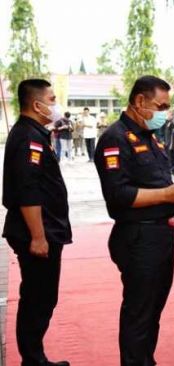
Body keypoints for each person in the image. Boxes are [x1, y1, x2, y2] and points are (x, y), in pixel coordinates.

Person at [94, 76, 174, 365]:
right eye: (161, 105)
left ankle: (144, 360)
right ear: (140, 101)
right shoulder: (115, 139)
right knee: (139, 312)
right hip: (138, 237)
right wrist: (167, 194)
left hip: (160, 235)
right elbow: (118, 194)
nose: (165, 112)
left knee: (153, 309)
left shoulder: (148, 136)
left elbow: (155, 181)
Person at [2, 79, 71, 366]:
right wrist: (38, 236)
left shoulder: (34, 133)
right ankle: (32, 360)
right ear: (36, 104)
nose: (55, 106)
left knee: (41, 296)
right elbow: (28, 192)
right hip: (36, 232)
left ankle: (34, 357)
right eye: (52, 100)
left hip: (43, 228)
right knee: (37, 298)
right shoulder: (28, 138)